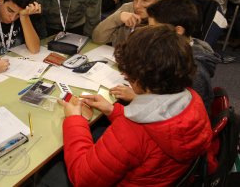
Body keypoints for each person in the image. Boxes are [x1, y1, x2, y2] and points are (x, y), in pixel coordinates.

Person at [59, 25, 212, 186]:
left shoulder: (130, 132)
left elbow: (82, 179)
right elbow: (156, 128)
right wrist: (113, 110)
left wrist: (74, 119)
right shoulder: (193, 99)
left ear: (140, 78)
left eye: (127, 73)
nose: (124, 75)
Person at [111, 0, 220, 112]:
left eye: (154, 28)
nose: (149, 31)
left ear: (178, 31)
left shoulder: (192, 71)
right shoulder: (175, 51)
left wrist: (136, 98)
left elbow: (178, 115)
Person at [92, 0, 171, 46]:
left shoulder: (168, 21)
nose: (137, 6)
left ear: (161, 2)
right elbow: (97, 39)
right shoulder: (128, 8)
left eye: (145, 0)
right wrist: (117, 18)